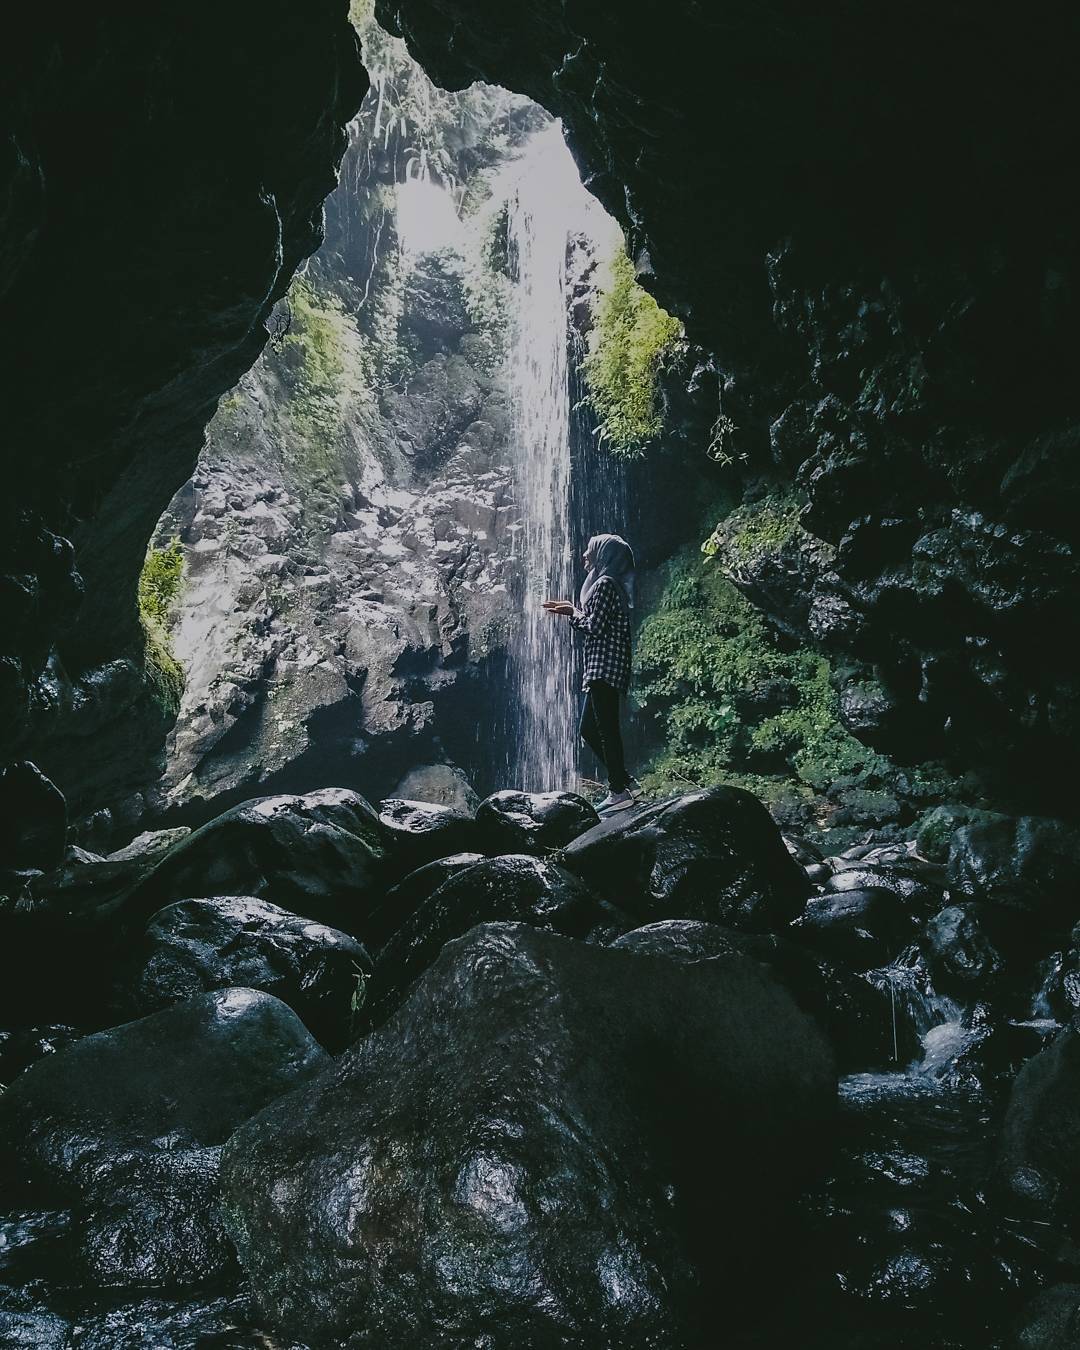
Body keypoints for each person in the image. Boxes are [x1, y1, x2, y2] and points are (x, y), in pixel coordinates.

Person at [543, 533, 636, 813]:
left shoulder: (606, 584)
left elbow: (594, 626)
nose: (584, 555)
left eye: (590, 550)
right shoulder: (604, 584)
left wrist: (572, 612)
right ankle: (626, 781)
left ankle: (618, 791)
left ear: (604, 555)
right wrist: (572, 611)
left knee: (606, 730)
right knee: (589, 729)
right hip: (600, 667)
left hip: (605, 667)